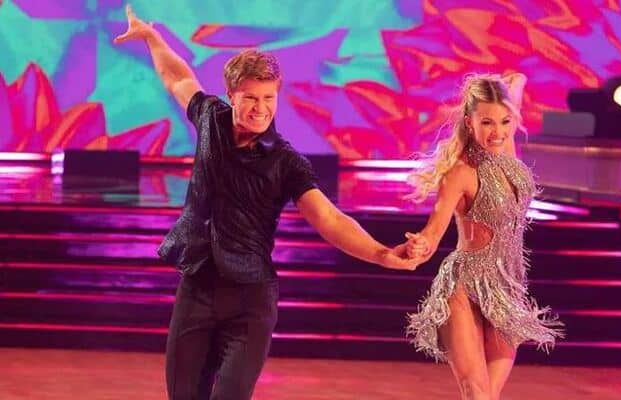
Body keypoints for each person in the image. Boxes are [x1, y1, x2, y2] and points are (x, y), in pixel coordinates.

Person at [113, 5, 418, 400]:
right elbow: (178, 77)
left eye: (269, 97)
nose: (261, 108)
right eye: (250, 98)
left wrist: (382, 254)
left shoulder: (287, 162)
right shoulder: (210, 118)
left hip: (249, 301)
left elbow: (328, 218)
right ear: (231, 95)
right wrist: (152, 37)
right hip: (197, 289)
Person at [403, 73, 563, 400]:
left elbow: (515, 88)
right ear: (469, 122)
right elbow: (433, 233)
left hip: (506, 289)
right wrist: (421, 244)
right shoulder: (460, 173)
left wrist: (515, 84)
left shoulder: (508, 155)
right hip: (463, 286)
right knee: (476, 393)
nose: (497, 132)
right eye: (486, 122)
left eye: (505, 121)